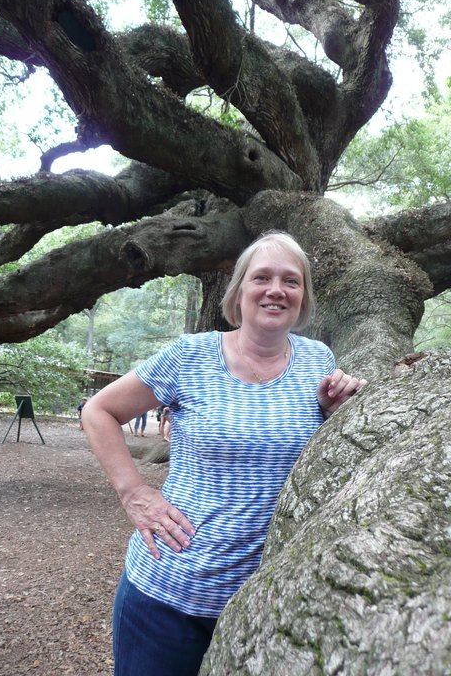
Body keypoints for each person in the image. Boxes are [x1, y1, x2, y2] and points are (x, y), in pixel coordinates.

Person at [82, 231, 367, 676]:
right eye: (262, 277)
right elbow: (98, 411)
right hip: (166, 594)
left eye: (291, 281)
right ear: (238, 291)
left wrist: (336, 413)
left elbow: (319, 458)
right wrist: (134, 493)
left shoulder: (319, 361)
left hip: (264, 603)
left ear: (303, 296)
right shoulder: (189, 356)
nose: (276, 290)